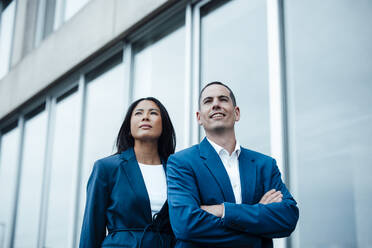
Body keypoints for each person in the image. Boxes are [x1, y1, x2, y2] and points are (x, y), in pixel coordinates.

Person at [167, 82, 299, 247]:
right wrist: (258, 224)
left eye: (223, 99)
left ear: (236, 113)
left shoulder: (265, 165)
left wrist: (224, 211)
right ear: (199, 117)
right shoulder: (181, 162)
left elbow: (288, 218)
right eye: (208, 101)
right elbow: (186, 225)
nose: (216, 104)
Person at [80, 97, 176, 248]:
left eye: (153, 113)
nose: (145, 116)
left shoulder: (176, 170)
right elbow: (91, 229)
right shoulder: (106, 168)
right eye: (138, 113)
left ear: (163, 125)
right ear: (129, 127)